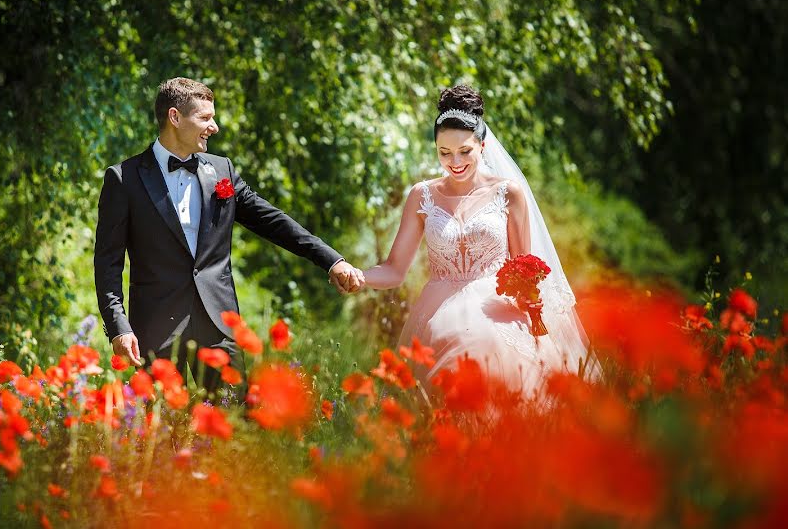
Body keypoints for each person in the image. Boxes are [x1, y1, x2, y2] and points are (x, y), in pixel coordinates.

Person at [94, 77, 364, 396]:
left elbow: (272, 221)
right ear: (175, 117)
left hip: (219, 328)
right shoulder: (124, 179)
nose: (215, 126)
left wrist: (330, 260)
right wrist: (119, 328)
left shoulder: (221, 171)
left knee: (234, 436)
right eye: (205, 118)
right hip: (156, 333)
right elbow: (108, 265)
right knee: (160, 438)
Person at [362, 85, 593, 399]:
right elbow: (394, 270)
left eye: (464, 151)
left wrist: (531, 305)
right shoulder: (422, 196)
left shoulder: (508, 193)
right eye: (445, 153)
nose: (454, 161)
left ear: (482, 146)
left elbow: (522, 267)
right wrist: (356, 276)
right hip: (438, 312)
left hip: (496, 308)